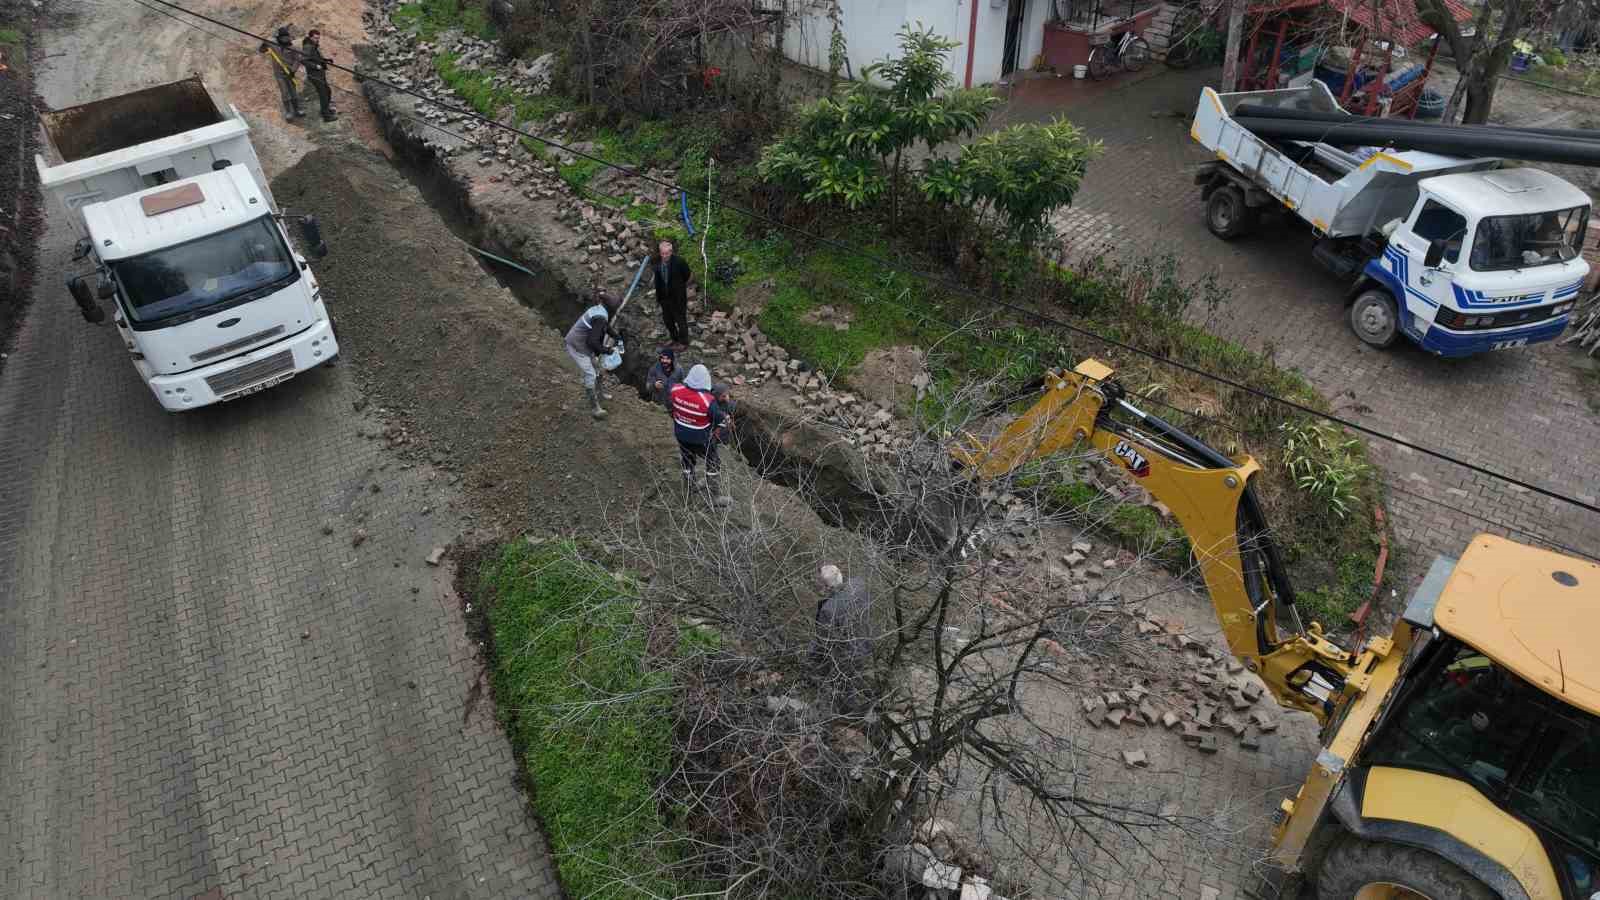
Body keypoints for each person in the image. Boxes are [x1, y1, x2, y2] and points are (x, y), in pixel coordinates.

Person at [810, 564, 874, 708]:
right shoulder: (859, 585)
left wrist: (811, 659)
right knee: (864, 683)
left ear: (825, 587)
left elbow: (824, 643)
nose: (814, 585)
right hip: (866, 644)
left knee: (846, 692)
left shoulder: (828, 610)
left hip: (847, 657)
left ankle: (850, 716)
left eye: (817, 582)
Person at [669, 364, 731, 506]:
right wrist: (724, 420)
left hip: (681, 435)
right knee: (713, 462)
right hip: (701, 438)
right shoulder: (707, 401)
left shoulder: (676, 390)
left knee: (687, 460)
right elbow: (718, 418)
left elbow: (670, 405)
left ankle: (690, 488)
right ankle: (714, 497)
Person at [564, 290, 621, 420]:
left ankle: (600, 393)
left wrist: (616, 336)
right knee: (590, 373)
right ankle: (594, 407)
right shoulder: (600, 317)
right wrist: (607, 350)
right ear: (611, 307)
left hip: (583, 343)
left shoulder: (600, 310)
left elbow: (605, 327)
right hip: (577, 345)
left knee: (598, 369)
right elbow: (592, 341)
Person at [652, 239, 693, 350]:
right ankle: (674, 339)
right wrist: (659, 297)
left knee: (680, 320)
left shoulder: (679, 262)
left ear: (671, 252)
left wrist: (679, 287)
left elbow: (688, 275)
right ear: (660, 252)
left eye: (667, 253)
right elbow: (657, 278)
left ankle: (683, 342)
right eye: (663, 253)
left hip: (678, 298)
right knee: (668, 320)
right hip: (664, 298)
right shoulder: (657, 262)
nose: (665, 256)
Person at [258, 26, 304, 121]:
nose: (286, 39)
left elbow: (297, 60)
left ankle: (297, 110)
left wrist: (293, 70)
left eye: (287, 37)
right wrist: (263, 44)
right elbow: (261, 50)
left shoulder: (292, 47)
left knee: (293, 92)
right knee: (284, 93)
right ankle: (288, 112)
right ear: (279, 38)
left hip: (290, 73)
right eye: (283, 37)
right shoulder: (274, 45)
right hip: (279, 74)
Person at [300, 29, 338, 122]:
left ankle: (325, 110)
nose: (317, 40)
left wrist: (326, 60)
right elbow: (303, 60)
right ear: (310, 37)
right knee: (323, 94)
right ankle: (326, 116)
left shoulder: (313, 46)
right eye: (315, 38)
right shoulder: (308, 47)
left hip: (320, 74)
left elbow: (316, 58)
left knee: (327, 91)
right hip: (314, 74)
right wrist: (315, 66)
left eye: (318, 38)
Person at [645, 346, 684, 410]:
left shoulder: (679, 370)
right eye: (662, 358)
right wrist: (654, 384)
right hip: (657, 405)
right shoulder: (654, 368)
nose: (664, 361)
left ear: (672, 359)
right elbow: (647, 386)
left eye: (667, 359)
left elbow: (682, 386)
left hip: (672, 405)